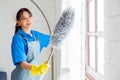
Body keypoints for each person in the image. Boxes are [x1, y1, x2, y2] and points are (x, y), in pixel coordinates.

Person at [11, 8, 51, 80]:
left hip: (34, 77)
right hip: (22, 77)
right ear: (18, 22)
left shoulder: (35, 35)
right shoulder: (17, 39)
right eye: (24, 18)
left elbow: (52, 39)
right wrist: (36, 68)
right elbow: (22, 63)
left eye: (29, 16)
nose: (28, 20)